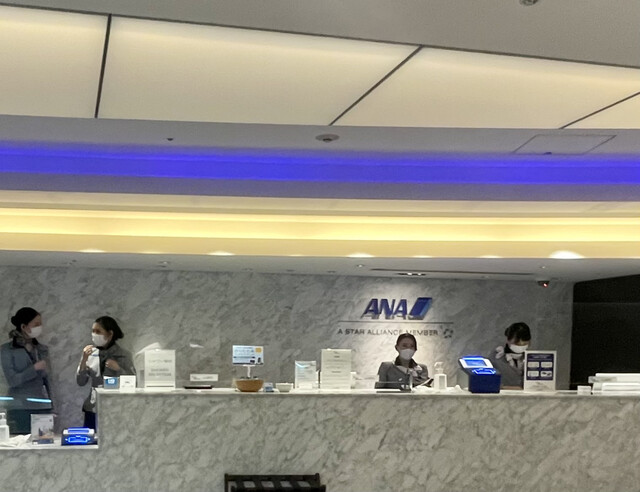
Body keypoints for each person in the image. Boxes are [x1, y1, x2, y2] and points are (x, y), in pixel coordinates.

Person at [0, 307, 54, 434]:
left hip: (42, 405)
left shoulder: (41, 349)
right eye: (36, 324)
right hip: (19, 407)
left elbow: (48, 380)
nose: (39, 327)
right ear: (24, 327)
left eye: (40, 324)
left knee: (44, 442)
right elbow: (12, 380)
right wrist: (34, 368)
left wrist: (52, 405)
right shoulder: (7, 350)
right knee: (19, 443)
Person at [76, 316, 135, 429]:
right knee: (91, 438)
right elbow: (80, 382)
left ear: (110, 334)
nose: (94, 334)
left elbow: (133, 383)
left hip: (115, 408)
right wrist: (84, 360)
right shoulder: (90, 354)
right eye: (93, 331)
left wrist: (118, 369)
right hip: (93, 408)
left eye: (98, 331)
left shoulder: (123, 355)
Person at [489, 322, 532, 389]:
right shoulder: (497, 358)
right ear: (508, 340)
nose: (520, 347)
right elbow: (490, 383)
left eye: (524, 344)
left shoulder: (532, 358)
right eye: (517, 344)